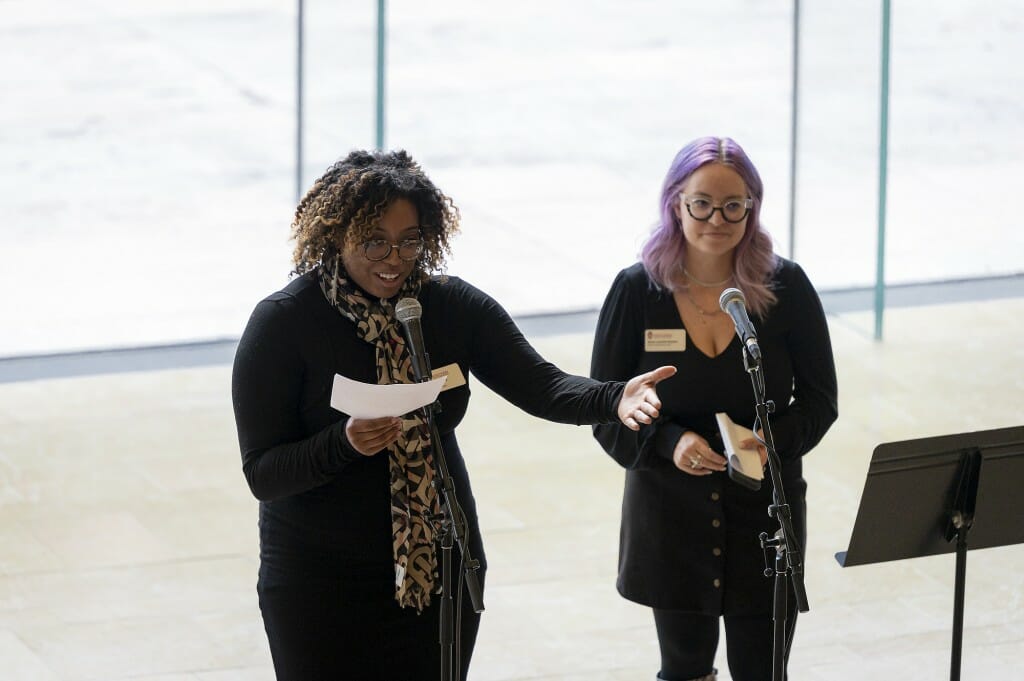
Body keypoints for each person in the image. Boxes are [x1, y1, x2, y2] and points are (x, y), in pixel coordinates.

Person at [230, 148, 675, 680]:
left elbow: (542, 385)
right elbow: (263, 473)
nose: (394, 258)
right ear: (336, 236)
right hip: (320, 581)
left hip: (438, 566)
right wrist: (343, 443)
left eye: (409, 241)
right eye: (374, 241)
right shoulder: (284, 323)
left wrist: (613, 396)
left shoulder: (447, 308)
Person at [590, 136, 838, 681]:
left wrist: (767, 445)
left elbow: (820, 402)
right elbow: (605, 407)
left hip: (763, 510)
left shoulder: (786, 287)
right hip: (670, 509)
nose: (717, 218)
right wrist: (667, 441)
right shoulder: (636, 292)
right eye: (702, 203)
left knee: (762, 670)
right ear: (675, 202)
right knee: (683, 670)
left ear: (753, 207)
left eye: (734, 205)